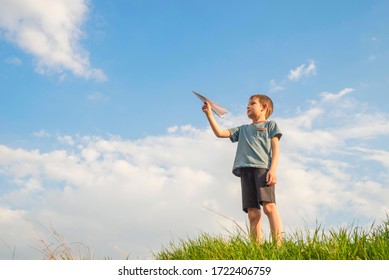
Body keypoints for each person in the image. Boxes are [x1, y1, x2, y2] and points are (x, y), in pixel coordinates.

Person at [202, 94, 283, 245]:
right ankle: (256, 249)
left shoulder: (270, 125)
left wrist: (273, 170)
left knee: (269, 208)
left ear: (264, 107)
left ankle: (278, 246)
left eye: (252, 103)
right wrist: (209, 114)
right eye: (248, 104)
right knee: (253, 213)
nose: (248, 106)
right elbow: (220, 133)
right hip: (245, 171)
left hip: (262, 170)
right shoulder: (243, 129)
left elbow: (276, 149)